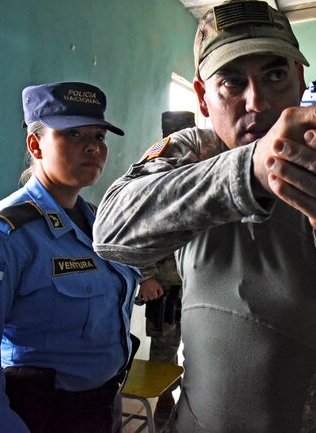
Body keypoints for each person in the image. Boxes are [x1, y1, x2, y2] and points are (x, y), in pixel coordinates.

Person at [93, 0, 316, 433]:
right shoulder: (195, 152)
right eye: (232, 82)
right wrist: (249, 171)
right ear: (202, 97)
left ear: (300, 80)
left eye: (275, 75)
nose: (257, 102)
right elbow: (110, 234)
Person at [0, 82, 139, 433]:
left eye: (99, 136)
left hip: (104, 407)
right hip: (43, 418)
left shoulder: (100, 224)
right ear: (35, 144)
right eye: (73, 134)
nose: (93, 146)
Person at [134, 110, 195, 425]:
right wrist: (145, 275)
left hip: (201, 279)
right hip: (165, 283)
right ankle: (165, 404)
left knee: (204, 348)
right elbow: (136, 229)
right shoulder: (150, 173)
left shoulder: (202, 167)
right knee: (163, 349)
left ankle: (194, 407)